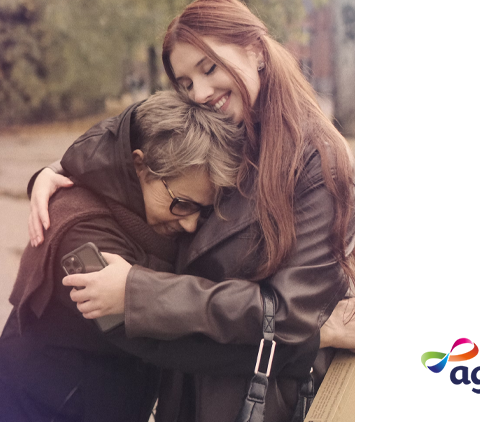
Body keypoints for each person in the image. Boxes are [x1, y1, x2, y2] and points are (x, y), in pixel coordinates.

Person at [28, 0, 356, 421]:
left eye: (209, 68)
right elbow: (124, 134)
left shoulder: (316, 161)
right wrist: (55, 171)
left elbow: (290, 314)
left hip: (258, 394)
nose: (199, 93)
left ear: (256, 50)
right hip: (186, 388)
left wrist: (137, 292)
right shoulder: (222, 129)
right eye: (184, 82)